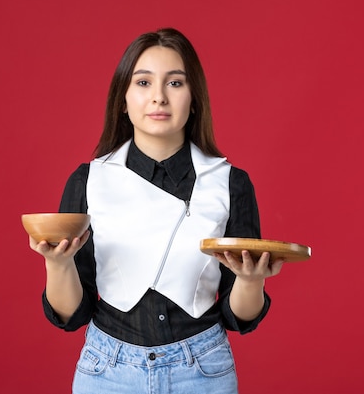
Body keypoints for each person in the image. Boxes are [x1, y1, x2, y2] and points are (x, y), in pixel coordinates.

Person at [29, 27, 284, 394]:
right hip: (107, 371)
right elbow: (72, 315)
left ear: (194, 98)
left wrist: (249, 279)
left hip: (203, 370)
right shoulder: (89, 181)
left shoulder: (229, 183)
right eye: (144, 82)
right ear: (123, 98)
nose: (159, 98)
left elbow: (238, 316)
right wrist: (57, 263)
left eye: (175, 83)